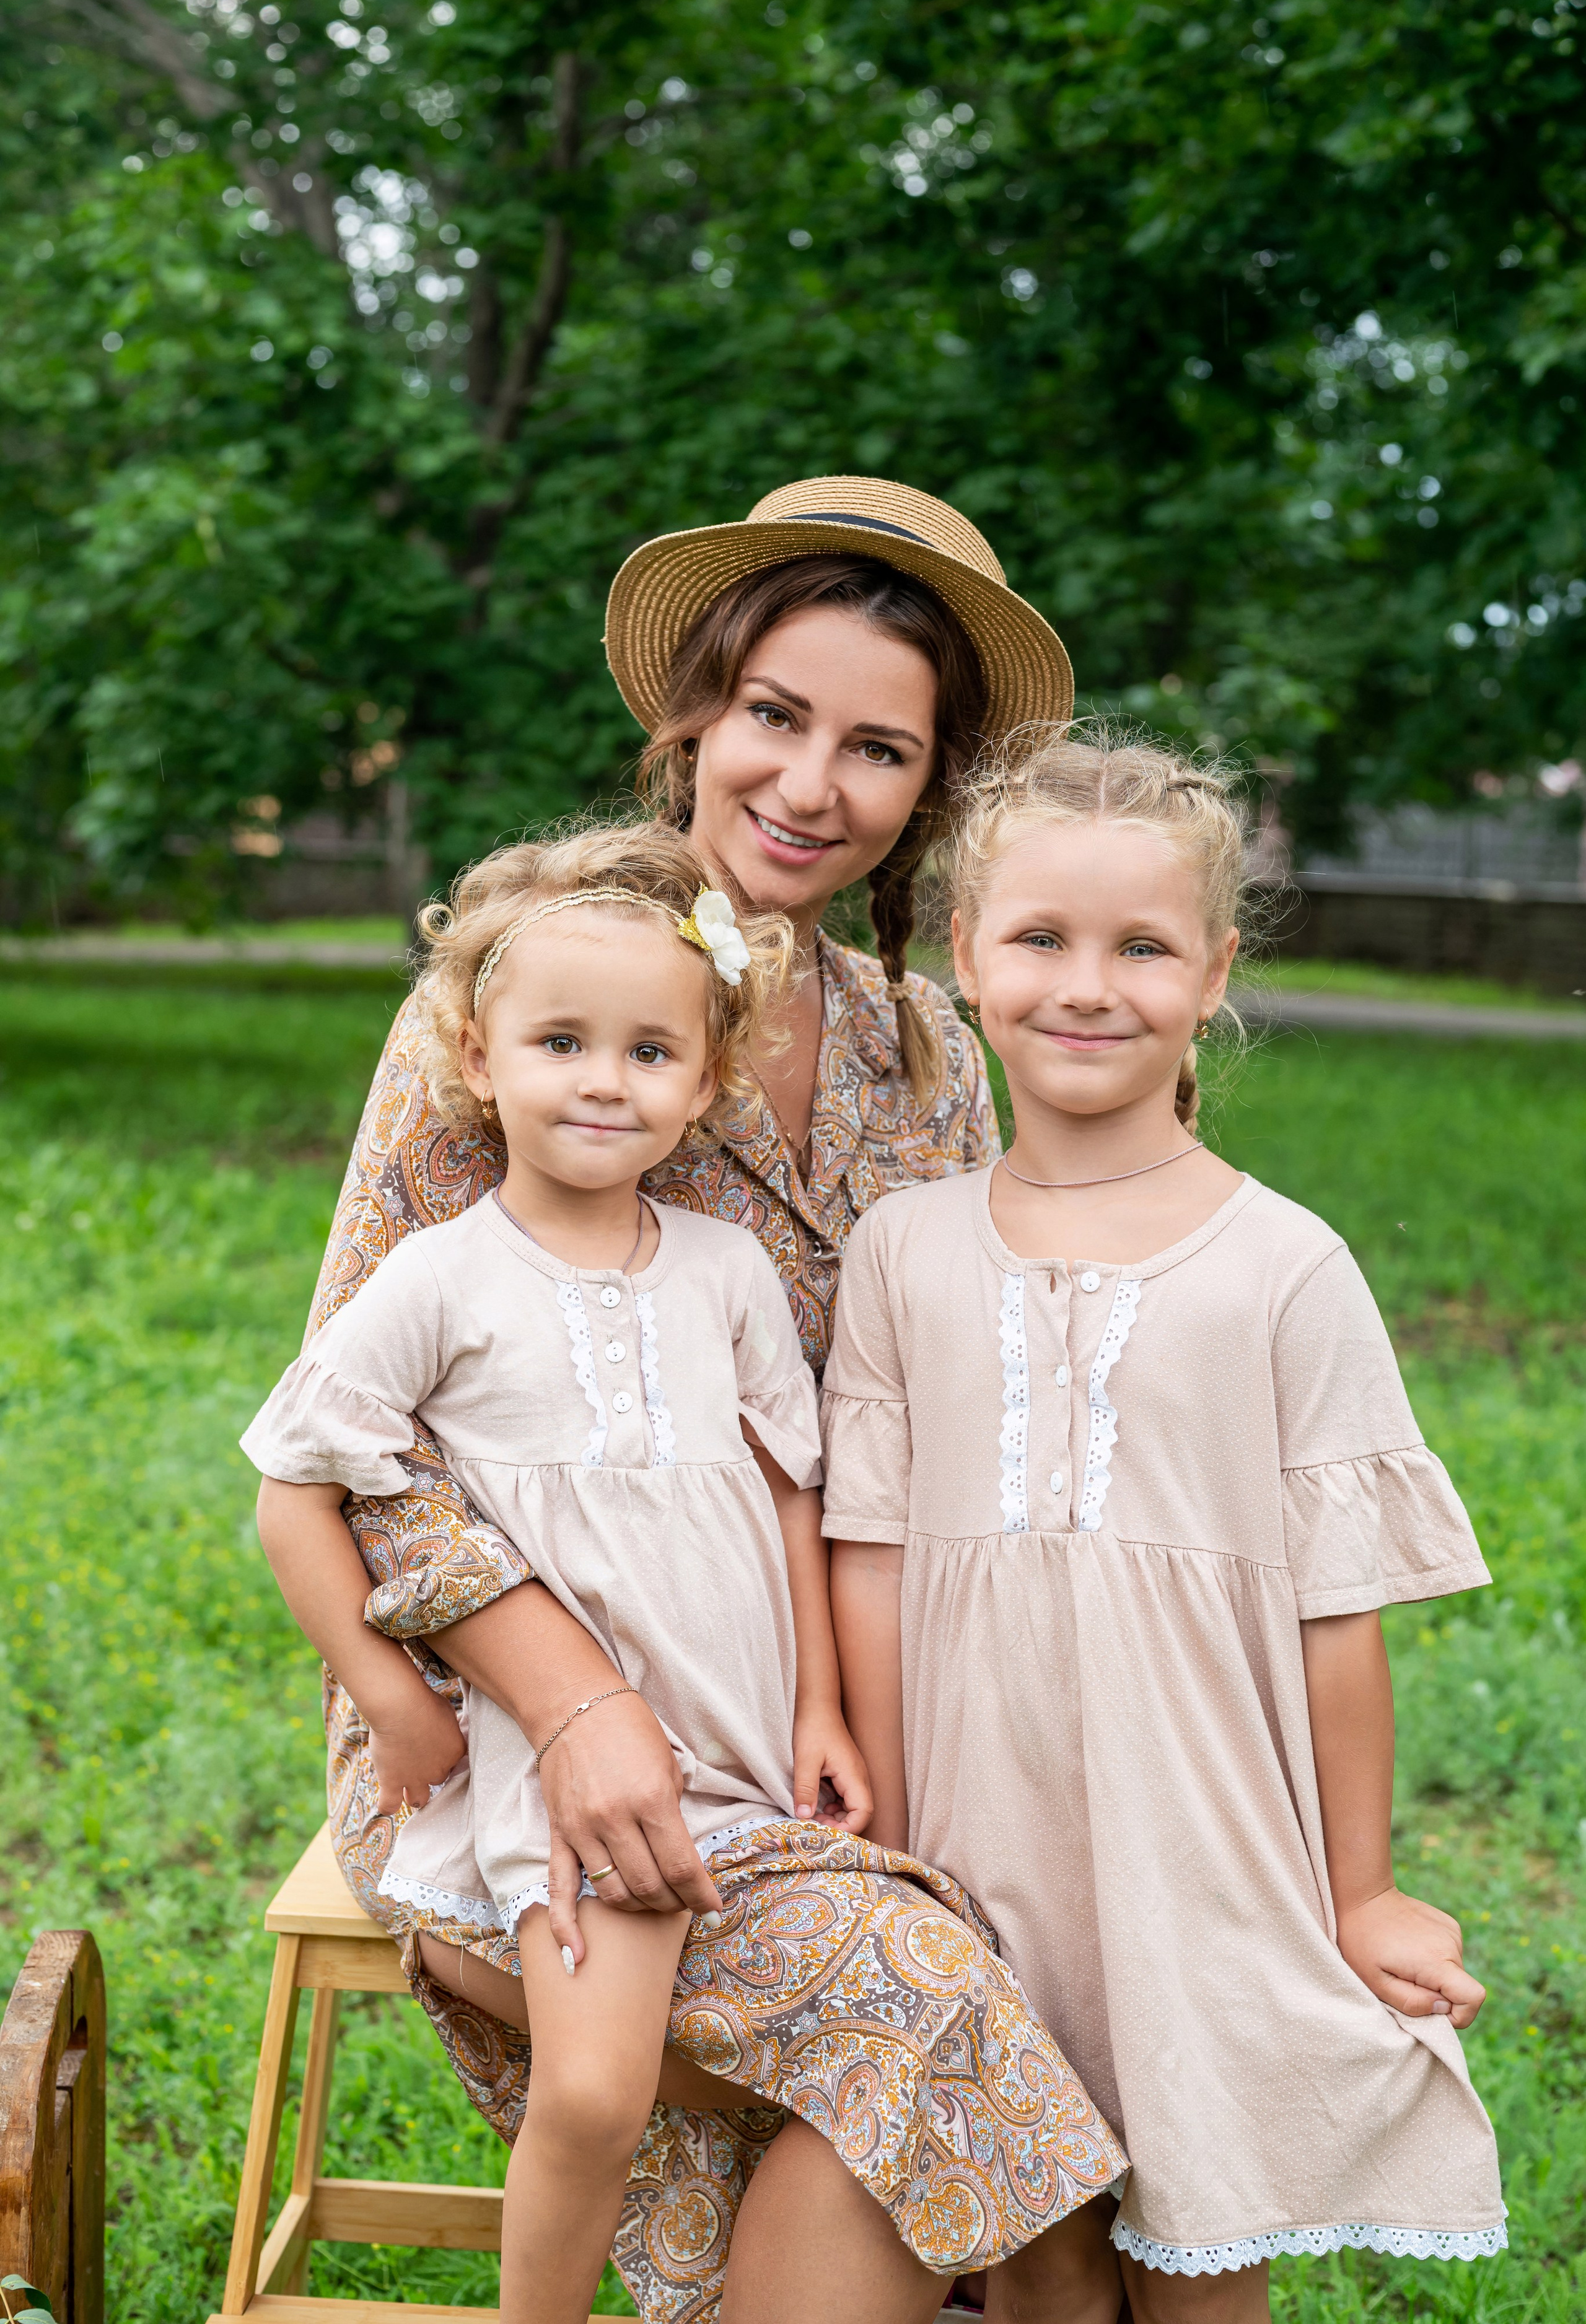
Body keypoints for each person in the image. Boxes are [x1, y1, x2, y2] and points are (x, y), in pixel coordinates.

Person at [296, 482, 1128, 2319]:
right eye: (775, 714)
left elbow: (930, 1427)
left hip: (822, 1697)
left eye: (879, 746)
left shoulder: (928, 1053)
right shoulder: (541, 982)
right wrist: (577, 1704)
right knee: (917, 2015)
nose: (811, 782)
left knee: (1077, 1955)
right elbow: (368, 1453)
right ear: (694, 712)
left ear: (934, 786)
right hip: (510, 1732)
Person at [823, 726, 1507, 2323]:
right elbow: (869, 1556)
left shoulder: (1285, 1265)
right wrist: (902, 1846)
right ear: (968, 963)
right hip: (980, 1844)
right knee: (1035, 2244)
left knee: (1203, 2248)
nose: (1087, 984)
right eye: (1041, 938)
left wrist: (1361, 1890)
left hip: (1204, 1834)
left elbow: (1343, 1608)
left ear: (1214, 978)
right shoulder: (903, 1253)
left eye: (1142, 947)